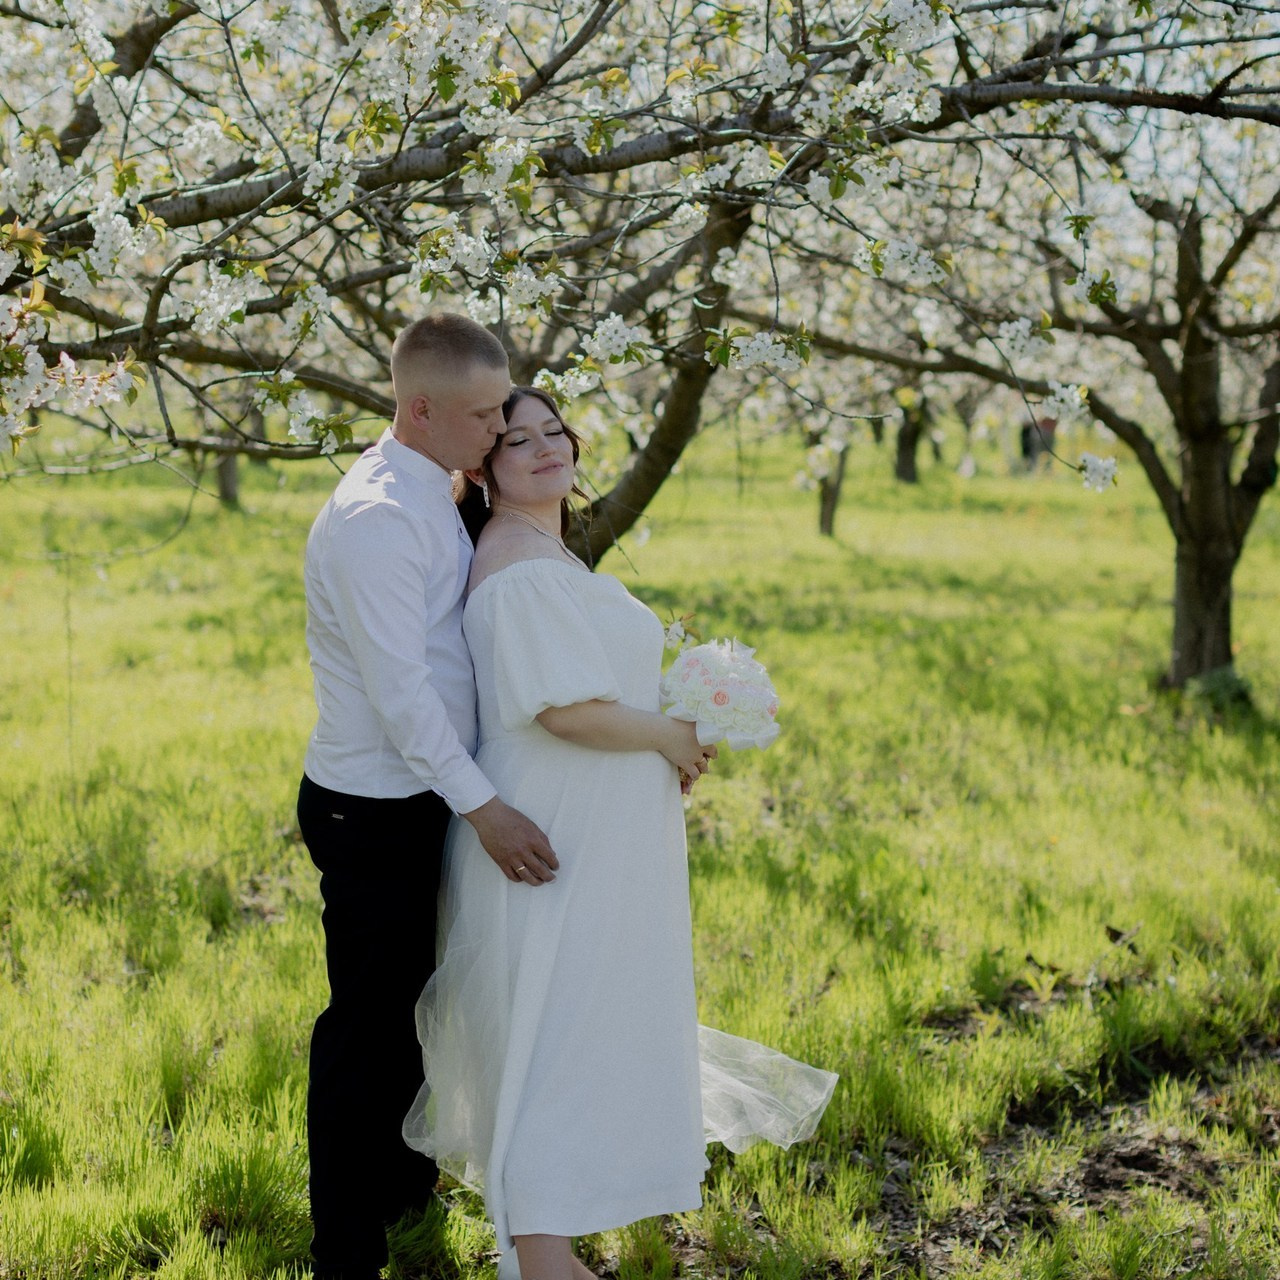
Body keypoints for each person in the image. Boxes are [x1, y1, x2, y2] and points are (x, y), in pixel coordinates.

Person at [403, 387, 837, 1280]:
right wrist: (669, 735)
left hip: (601, 832)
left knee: (585, 1025)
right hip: (558, 830)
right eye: (516, 440)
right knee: (554, 1032)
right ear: (482, 467)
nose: (543, 449)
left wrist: (674, 730)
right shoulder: (516, 565)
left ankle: (552, 1240)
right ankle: (541, 1254)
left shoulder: (546, 552)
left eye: (554, 431)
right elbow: (563, 710)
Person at [297, 317, 560, 1280]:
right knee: (363, 1031)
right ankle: (346, 1253)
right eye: (488, 413)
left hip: (426, 795)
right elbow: (402, 697)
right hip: (372, 808)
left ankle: (406, 1195)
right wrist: (486, 808)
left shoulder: (433, 487)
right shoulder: (376, 519)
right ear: (420, 409)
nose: (500, 429)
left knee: (415, 1011)